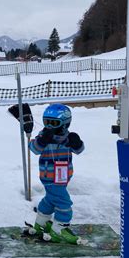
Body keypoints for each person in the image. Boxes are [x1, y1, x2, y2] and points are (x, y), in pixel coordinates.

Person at [28, 103, 85, 244]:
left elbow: (79, 150)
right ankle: (60, 228)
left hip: (63, 176)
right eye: (46, 122)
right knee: (64, 202)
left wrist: (77, 143)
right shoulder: (44, 135)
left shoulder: (68, 138)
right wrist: (42, 140)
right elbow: (34, 149)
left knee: (51, 199)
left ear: (65, 124)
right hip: (49, 176)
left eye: (53, 123)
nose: (49, 126)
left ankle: (41, 223)